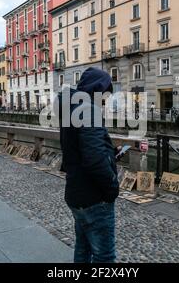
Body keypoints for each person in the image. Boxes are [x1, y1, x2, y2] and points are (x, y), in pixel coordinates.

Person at [59, 67, 119, 263]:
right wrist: (112, 186)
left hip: (76, 191)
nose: (107, 97)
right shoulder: (88, 109)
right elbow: (94, 158)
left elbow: (77, 148)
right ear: (98, 88)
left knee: (83, 248)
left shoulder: (72, 108)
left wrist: (109, 151)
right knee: (104, 255)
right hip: (93, 196)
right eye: (107, 92)